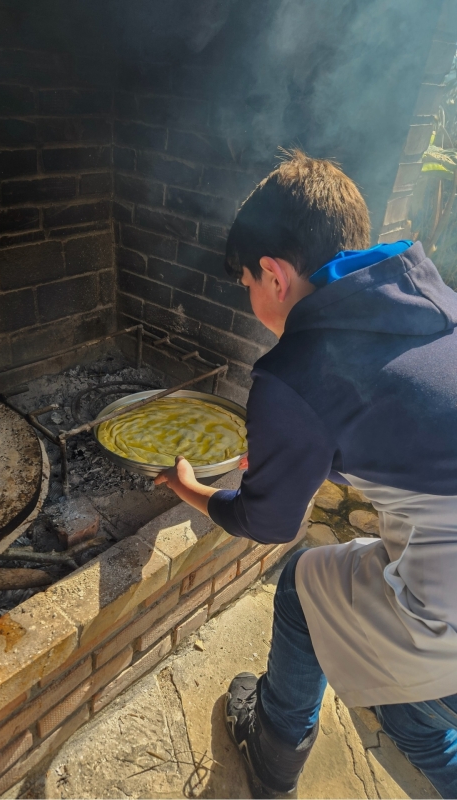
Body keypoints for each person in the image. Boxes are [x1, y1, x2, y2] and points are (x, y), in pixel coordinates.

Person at [154, 150, 457, 798]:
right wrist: (292, 452)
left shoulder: (297, 371)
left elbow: (266, 522)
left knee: (303, 585)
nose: (252, 303)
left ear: (273, 275)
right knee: (417, 707)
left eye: (247, 287)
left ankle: (272, 754)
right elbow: (407, 432)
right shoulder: (429, 300)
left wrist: (194, 490)